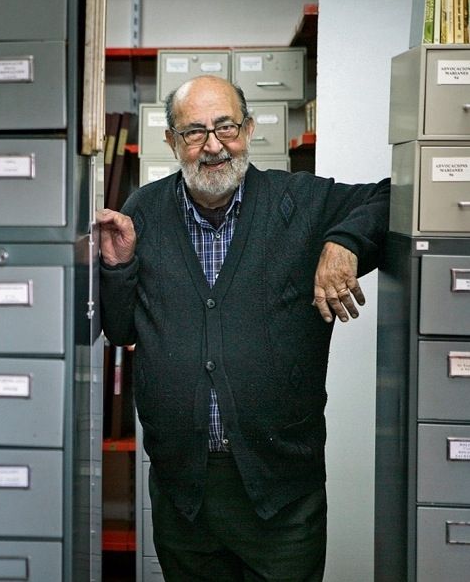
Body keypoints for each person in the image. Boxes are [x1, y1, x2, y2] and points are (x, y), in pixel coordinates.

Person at [97, 75, 389, 581]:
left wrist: (345, 242)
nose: (213, 146)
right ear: (171, 141)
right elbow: (122, 330)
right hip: (184, 491)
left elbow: (391, 198)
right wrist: (119, 267)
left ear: (249, 129)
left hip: (280, 491)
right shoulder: (143, 210)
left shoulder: (299, 201)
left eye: (225, 127)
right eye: (193, 132)